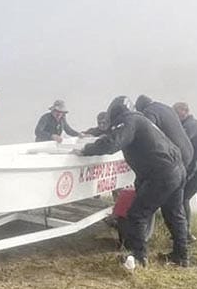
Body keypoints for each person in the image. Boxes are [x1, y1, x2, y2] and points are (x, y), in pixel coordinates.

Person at [76, 96, 189, 268]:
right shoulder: (141, 120)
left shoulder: (128, 120)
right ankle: (181, 256)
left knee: (137, 214)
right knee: (175, 214)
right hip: (177, 169)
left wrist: (86, 149)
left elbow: (113, 143)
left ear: (115, 113)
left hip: (162, 173)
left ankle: (138, 257)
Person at [134, 95, 195, 178]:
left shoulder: (149, 112)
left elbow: (147, 133)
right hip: (189, 152)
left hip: (178, 156)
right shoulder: (166, 107)